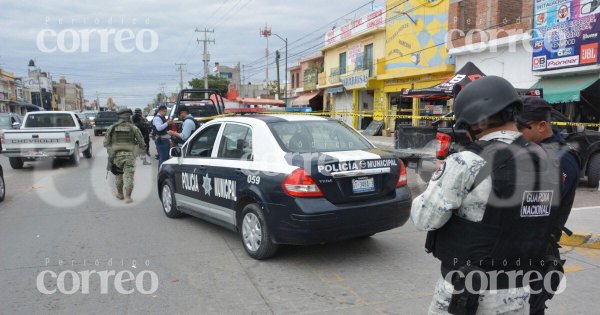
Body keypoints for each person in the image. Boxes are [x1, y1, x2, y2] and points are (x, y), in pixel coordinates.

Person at [412, 76, 563, 315]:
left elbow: (424, 219)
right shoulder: (548, 160)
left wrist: (439, 178)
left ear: (473, 121)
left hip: (469, 297)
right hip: (523, 295)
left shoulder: (466, 162)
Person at [519, 97, 581, 314]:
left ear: (541, 126)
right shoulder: (532, 150)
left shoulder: (560, 158)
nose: (515, 133)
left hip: (535, 256)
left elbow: (533, 208)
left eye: (520, 127)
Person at [104, 108, 146, 203]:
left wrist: (111, 153)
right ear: (129, 116)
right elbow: (142, 143)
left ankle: (120, 194)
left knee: (118, 174)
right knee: (128, 176)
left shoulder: (112, 128)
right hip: (130, 156)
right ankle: (128, 197)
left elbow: (106, 143)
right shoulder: (133, 128)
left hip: (116, 156)